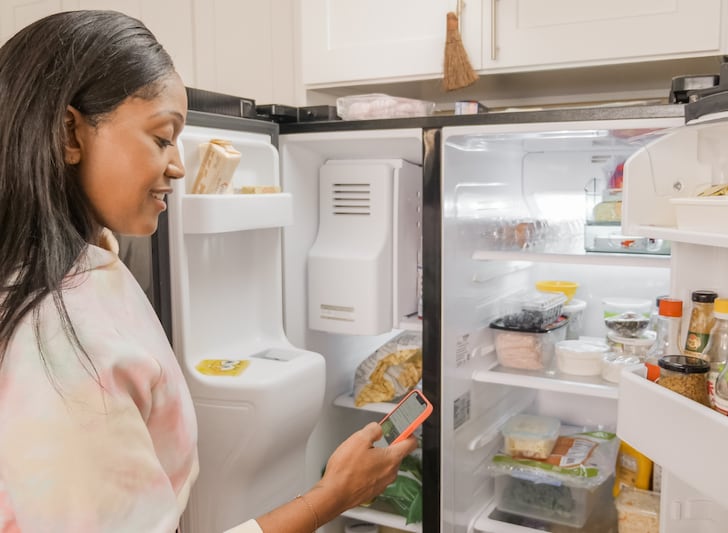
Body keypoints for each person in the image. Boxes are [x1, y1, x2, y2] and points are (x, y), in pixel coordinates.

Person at [0, 10, 418, 533]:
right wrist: (331, 496)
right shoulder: (57, 345)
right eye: (162, 137)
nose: (178, 164)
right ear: (70, 134)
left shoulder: (91, 261)